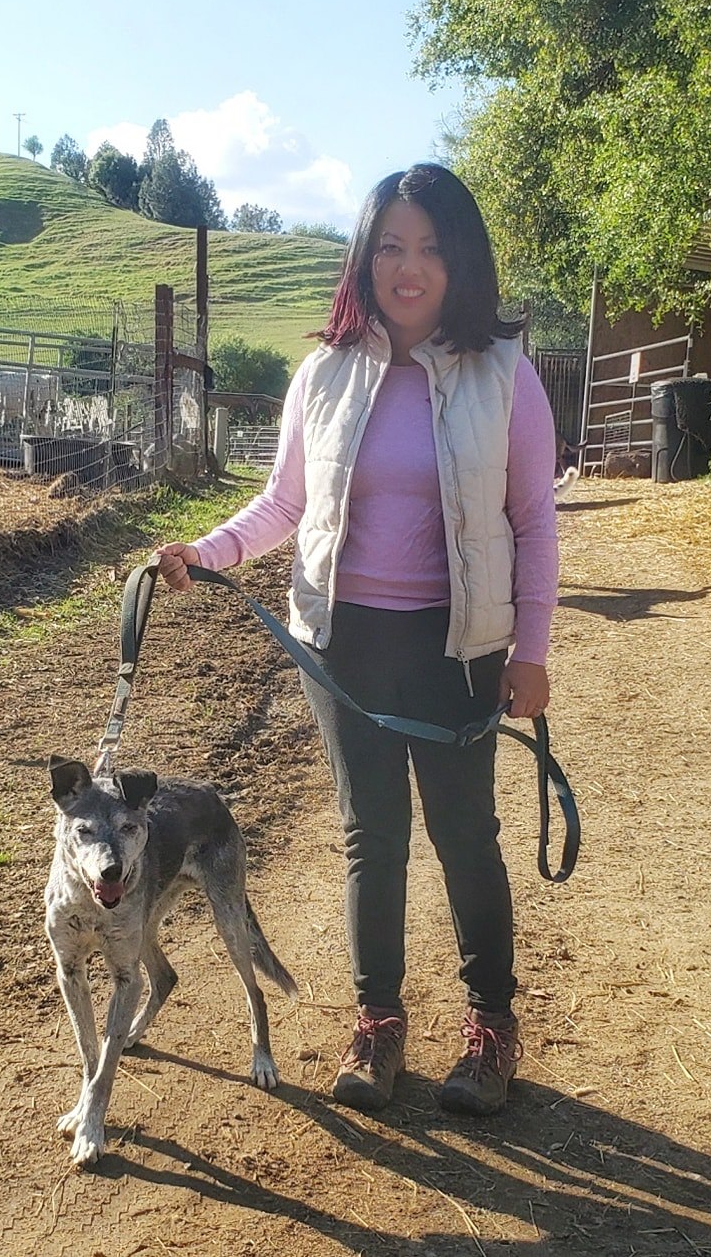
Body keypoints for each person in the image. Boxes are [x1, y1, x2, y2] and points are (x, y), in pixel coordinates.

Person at [153, 163, 558, 1116]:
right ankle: (377, 1024)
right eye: (390, 247)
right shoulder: (323, 372)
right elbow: (285, 503)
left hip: (460, 647)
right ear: (364, 257)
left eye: (429, 248)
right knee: (369, 838)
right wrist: (206, 553)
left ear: (461, 260)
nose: (408, 269)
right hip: (340, 645)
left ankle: (490, 1026)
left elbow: (534, 519)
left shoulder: (506, 372)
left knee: (466, 839)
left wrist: (532, 649)